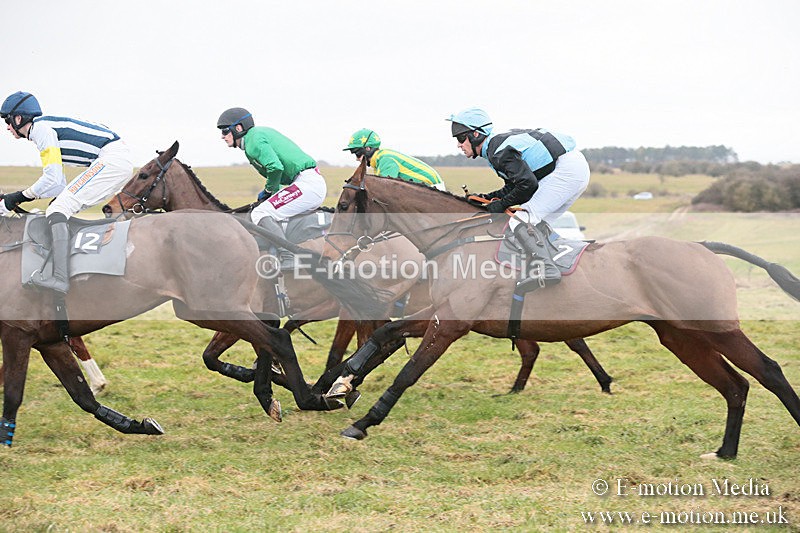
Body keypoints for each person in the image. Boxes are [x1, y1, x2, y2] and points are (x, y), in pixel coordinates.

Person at [0, 91, 134, 293]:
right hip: (113, 158)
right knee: (57, 206)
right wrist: (18, 198)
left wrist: (16, 198)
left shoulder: (40, 130)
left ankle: (60, 279)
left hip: (111, 158)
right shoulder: (44, 128)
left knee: (59, 207)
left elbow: (52, 180)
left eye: (7, 121)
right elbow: (57, 185)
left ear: (18, 118)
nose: (8, 128)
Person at [447, 108, 590, 286]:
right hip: (571, 167)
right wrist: (486, 198)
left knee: (521, 219)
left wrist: (500, 205)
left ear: (476, 134)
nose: (459, 145)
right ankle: (546, 264)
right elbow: (514, 187)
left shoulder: (498, 152)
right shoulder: (496, 148)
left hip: (566, 171)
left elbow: (527, 186)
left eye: (461, 138)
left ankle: (548, 269)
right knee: (534, 221)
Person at [217, 107, 326, 226]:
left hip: (307, 185)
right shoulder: (254, 137)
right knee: (270, 214)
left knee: (260, 213)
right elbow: (276, 175)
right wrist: (272, 191)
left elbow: (275, 167)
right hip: (306, 183)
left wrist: (268, 190)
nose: (222, 136)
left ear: (238, 128)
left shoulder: (253, 140)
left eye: (225, 131)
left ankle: (281, 246)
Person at [343, 128, 446, 190]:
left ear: (368, 148)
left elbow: (385, 190)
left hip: (433, 188)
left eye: (357, 154)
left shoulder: (385, 160)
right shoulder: (380, 159)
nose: (357, 159)